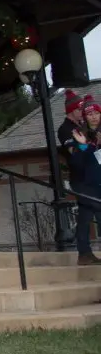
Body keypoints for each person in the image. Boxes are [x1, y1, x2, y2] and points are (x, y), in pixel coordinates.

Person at [57, 90, 101, 265]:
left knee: (84, 214)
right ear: (71, 110)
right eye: (80, 109)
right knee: (97, 208)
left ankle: (84, 253)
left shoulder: (86, 126)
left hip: (93, 176)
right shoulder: (66, 129)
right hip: (80, 178)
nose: (83, 113)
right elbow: (75, 154)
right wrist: (84, 145)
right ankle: (84, 252)